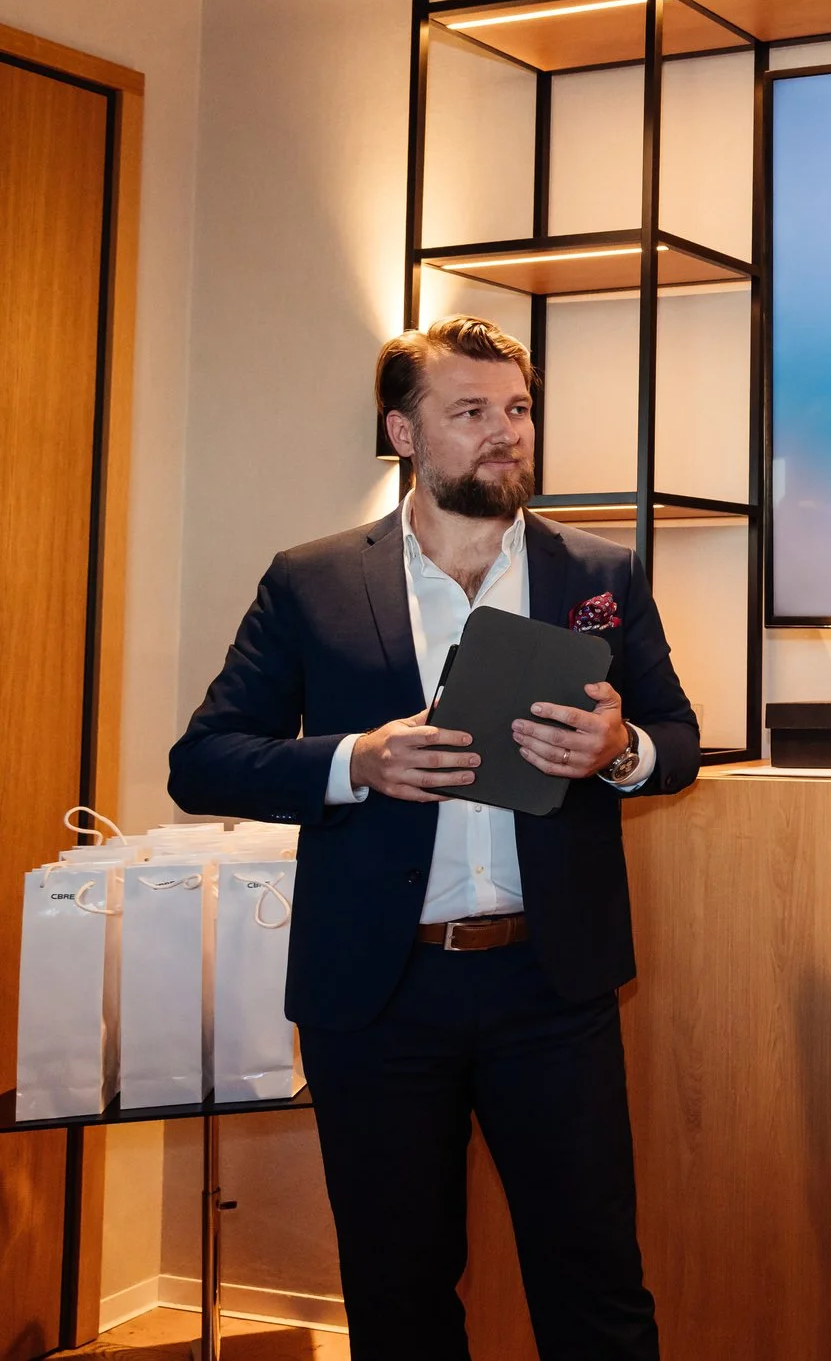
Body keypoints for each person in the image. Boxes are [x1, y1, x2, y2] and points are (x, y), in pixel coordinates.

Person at [171, 315, 700, 1361]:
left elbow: (676, 736)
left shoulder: (599, 573)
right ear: (402, 431)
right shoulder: (312, 581)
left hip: (553, 988)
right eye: (471, 411)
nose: (508, 432)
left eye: (518, 409)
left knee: (598, 1288)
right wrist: (352, 761)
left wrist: (621, 749)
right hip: (379, 998)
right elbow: (206, 759)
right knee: (400, 1298)